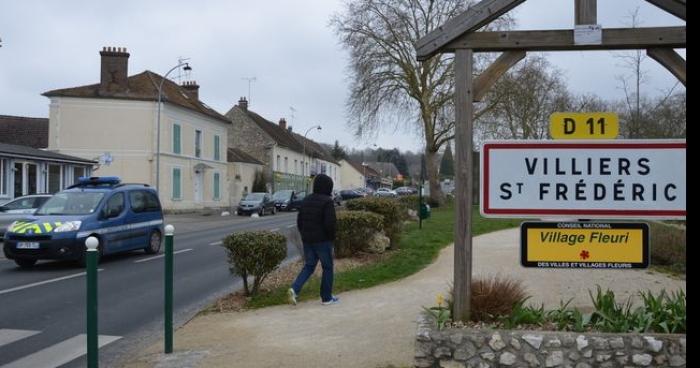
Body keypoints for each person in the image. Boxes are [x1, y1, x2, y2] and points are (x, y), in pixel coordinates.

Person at [288, 174, 339, 305]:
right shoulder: (327, 202)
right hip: (323, 241)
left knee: (309, 266)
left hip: (307, 240)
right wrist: (332, 239)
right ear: (328, 187)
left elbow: (300, 221)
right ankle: (326, 297)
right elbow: (330, 224)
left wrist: (304, 234)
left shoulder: (306, 200)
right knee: (327, 267)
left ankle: (294, 289)